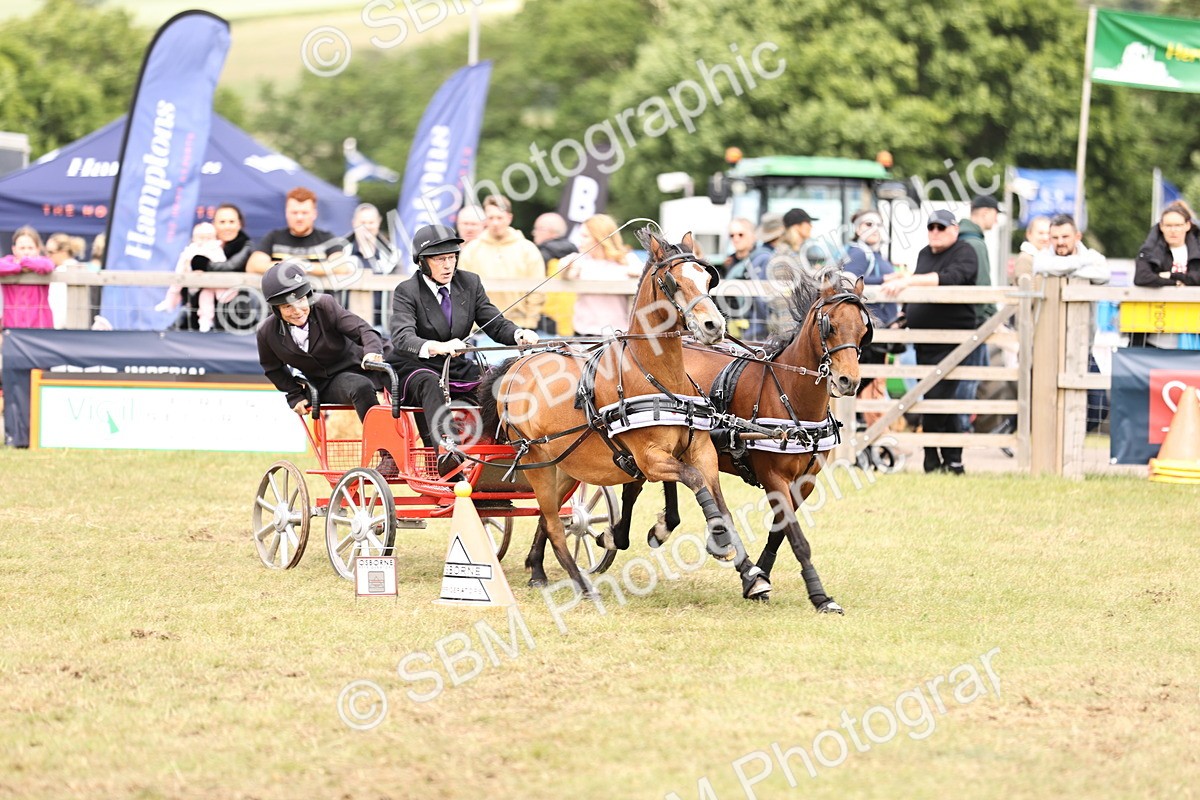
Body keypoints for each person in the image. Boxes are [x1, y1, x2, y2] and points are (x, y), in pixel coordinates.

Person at [387, 224, 539, 476]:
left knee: (499, 381)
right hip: (415, 366)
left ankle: (499, 448)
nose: (448, 265)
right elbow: (403, 336)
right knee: (431, 383)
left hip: (455, 364)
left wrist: (518, 334)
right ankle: (445, 449)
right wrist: (439, 347)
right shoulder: (407, 290)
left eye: (451, 257)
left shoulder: (470, 282)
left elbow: (494, 321)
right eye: (439, 259)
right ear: (423, 262)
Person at [880, 209, 978, 474]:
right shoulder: (925, 253)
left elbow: (953, 278)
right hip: (924, 340)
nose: (935, 231)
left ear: (954, 230)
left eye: (941, 227)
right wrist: (904, 313)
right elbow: (918, 287)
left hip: (953, 340)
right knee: (934, 398)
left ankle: (936, 458)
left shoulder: (964, 251)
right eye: (931, 227)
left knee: (939, 397)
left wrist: (908, 280)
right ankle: (947, 460)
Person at [256, 260, 386, 426]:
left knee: (416, 377)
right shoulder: (266, 332)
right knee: (360, 386)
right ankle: (386, 450)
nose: (297, 311)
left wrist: (373, 351)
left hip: (366, 363)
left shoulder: (325, 304)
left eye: (301, 301)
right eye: (288, 306)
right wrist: (295, 395)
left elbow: (363, 330)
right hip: (329, 383)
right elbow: (273, 369)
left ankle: (428, 448)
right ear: (277, 309)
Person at [841, 210, 900, 418]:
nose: (874, 229)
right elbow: (848, 280)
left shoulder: (873, 253)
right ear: (857, 229)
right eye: (868, 224)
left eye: (878, 224)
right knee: (869, 391)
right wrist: (886, 279)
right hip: (868, 333)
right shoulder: (859, 252)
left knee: (874, 389)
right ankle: (867, 441)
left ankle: (871, 441)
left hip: (879, 331)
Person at [456, 194, 546, 331]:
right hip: (480, 328)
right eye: (491, 218)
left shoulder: (528, 249)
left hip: (519, 326)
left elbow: (538, 290)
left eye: (500, 217)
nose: (495, 223)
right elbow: (462, 290)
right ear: (485, 220)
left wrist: (530, 321)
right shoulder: (471, 250)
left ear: (509, 218)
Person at [956, 195, 1001, 432]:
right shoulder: (976, 243)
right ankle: (962, 426)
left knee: (964, 376)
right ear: (985, 213)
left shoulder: (960, 239)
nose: (996, 220)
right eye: (995, 214)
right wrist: (993, 317)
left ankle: (960, 424)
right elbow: (983, 285)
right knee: (971, 377)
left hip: (960, 319)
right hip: (976, 322)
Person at [1131, 202, 1200, 348]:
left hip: (1194, 331)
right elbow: (1141, 277)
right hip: (1154, 331)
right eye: (1168, 225)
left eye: (1178, 225)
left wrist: (1170, 275)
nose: (1173, 230)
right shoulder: (1150, 249)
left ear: (1188, 225)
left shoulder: (1197, 250)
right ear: (1161, 227)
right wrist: (1175, 283)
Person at [562, 214, 642, 336]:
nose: (580, 240)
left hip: (618, 333)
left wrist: (636, 274)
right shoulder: (579, 259)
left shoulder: (628, 259)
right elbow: (564, 271)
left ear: (600, 237)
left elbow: (646, 278)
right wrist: (568, 270)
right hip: (584, 333)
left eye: (585, 236)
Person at [246, 187, 349, 277]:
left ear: (314, 214)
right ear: (286, 213)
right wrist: (286, 266)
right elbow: (252, 266)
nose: (299, 217)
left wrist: (306, 266)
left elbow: (341, 267)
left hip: (318, 298)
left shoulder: (327, 238)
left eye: (304, 213)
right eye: (294, 212)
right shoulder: (274, 237)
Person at [156, 222, 233, 332]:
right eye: (201, 237)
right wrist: (186, 271)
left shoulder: (217, 250)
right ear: (194, 238)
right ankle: (169, 302)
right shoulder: (190, 249)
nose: (205, 240)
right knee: (175, 287)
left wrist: (206, 271)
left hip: (209, 284)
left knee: (206, 299)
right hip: (188, 281)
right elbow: (182, 264)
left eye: (209, 237)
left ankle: (206, 321)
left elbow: (220, 265)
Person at [345, 202, 397, 329]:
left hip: (383, 327)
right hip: (345, 327)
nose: (367, 227)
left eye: (371, 222)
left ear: (379, 222)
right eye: (362, 223)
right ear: (354, 223)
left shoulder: (393, 255)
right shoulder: (340, 253)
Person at [721, 217, 771, 338]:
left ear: (753, 236)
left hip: (756, 331)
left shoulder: (763, 259)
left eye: (741, 234)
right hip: (732, 328)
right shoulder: (730, 262)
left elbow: (763, 301)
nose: (736, 239)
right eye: (732, 235)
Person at [0, 226, 55, 329]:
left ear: (38, 249)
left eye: (30, 248)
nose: (26, 252)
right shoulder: (8, 261)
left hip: (40, 324)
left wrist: (23, 262)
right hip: (12, 323)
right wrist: (18, 268)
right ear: (14, 249)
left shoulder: (43, 261)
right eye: (22, 248)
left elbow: (48, 266)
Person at [1033, 214, 1109, 285]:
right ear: (1050, 238)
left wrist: (1058, 271)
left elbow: (1105, 275)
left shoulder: (1092, 256)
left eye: (1065, 237)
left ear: (1077, 237)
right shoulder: (1042, 257)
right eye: (1055, 237)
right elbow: (1041, 266)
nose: (1060, 242)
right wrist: (1081, 263)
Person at [45, 233, 86, 329]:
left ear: (63, 252)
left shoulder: (60, 273)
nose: (47, 256)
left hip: (64, 329)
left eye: (50, 252)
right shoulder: (80, 268)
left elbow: (58, 306)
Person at [1013, 215, 1050, 282]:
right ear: (1029, 234)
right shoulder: (1025, 258)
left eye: (1048, 233)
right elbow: (1024, 288)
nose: (1045, 238)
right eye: (1041, 233)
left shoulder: (1046, 256)